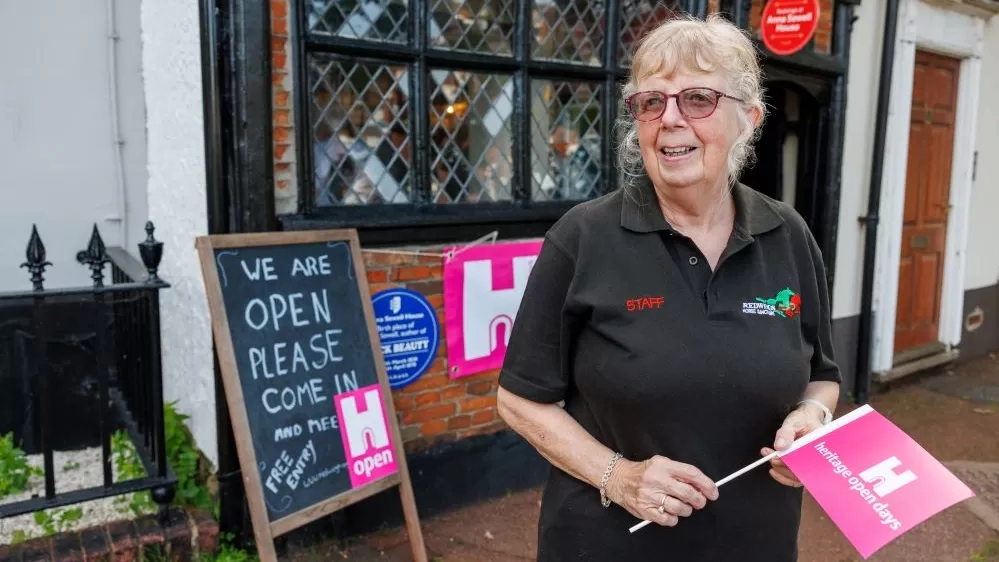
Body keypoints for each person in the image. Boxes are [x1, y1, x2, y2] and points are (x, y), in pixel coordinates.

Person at [496, 13, 841, 562]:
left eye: (698, 99)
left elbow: (822, 376)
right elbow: (519, 400)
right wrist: (621, 477)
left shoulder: (788, 234)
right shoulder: (583, 237)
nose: (670, 119)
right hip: (607, 546)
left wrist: (810, 421)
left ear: (748, 119)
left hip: (758, 544)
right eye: (651, 103)